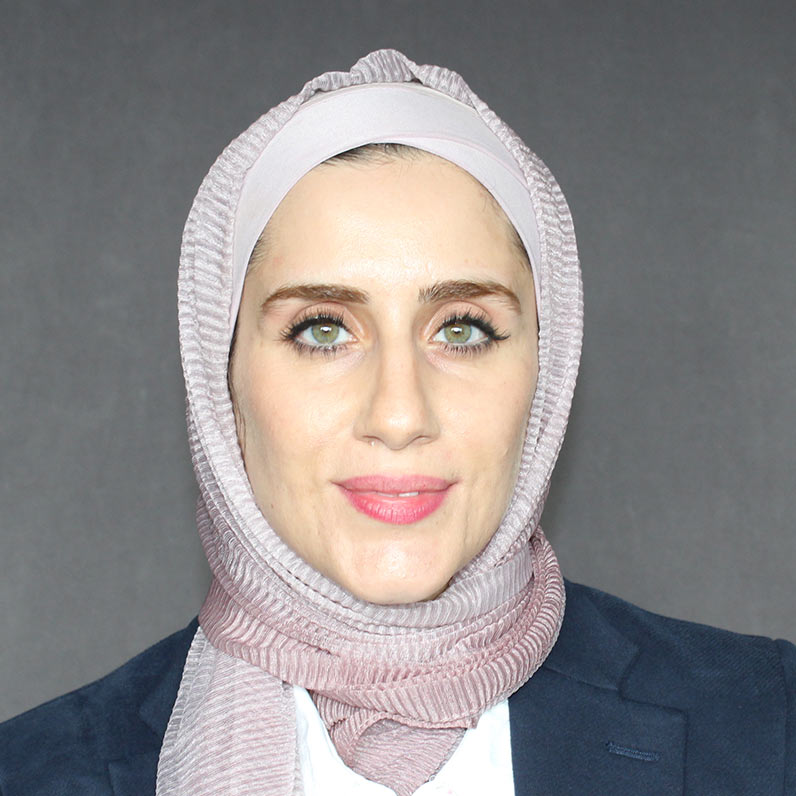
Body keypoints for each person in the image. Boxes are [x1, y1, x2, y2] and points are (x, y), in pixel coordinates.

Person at [0, 48, 793, 796]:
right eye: (322, 329)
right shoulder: (33, 773)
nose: (400, 414)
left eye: (462, 329)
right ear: (223, 381)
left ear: (545, 374)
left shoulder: (769, 730)